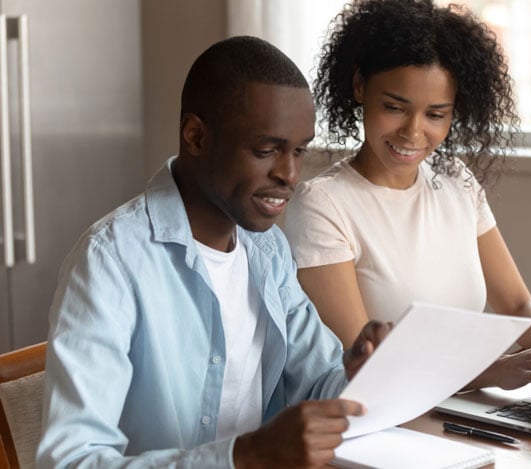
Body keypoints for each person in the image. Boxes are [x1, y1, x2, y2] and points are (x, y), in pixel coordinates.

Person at [37, 36, 390, 468]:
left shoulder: (267, 250)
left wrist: (359, 373)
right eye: (266, 150)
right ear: (196, 136)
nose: (289, 174)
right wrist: (246, 456)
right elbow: (70, 461)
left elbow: (318, 382)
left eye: (299, 151)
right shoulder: (111, 262)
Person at [284, 0, 531, 391]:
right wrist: (500, 371)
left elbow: (519, 305)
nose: (413, 133)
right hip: (390, 423)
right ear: (359, 85)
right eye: (394, 107)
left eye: (436, 114)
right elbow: (364, 365)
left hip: (465, 409)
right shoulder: (322, 206)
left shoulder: (456, 182)